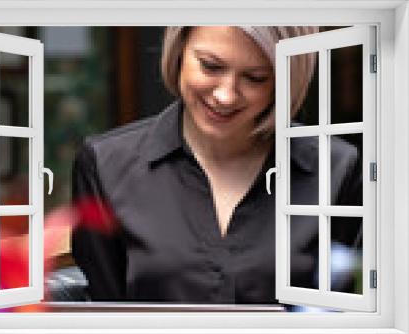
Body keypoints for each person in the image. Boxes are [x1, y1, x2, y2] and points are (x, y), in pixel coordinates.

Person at [71, 26, 362, 304]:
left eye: (256, 78)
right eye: (210, 66)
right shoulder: (104, 167)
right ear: (179, 50)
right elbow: (104, 311)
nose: (226, 96)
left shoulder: (338, 170)